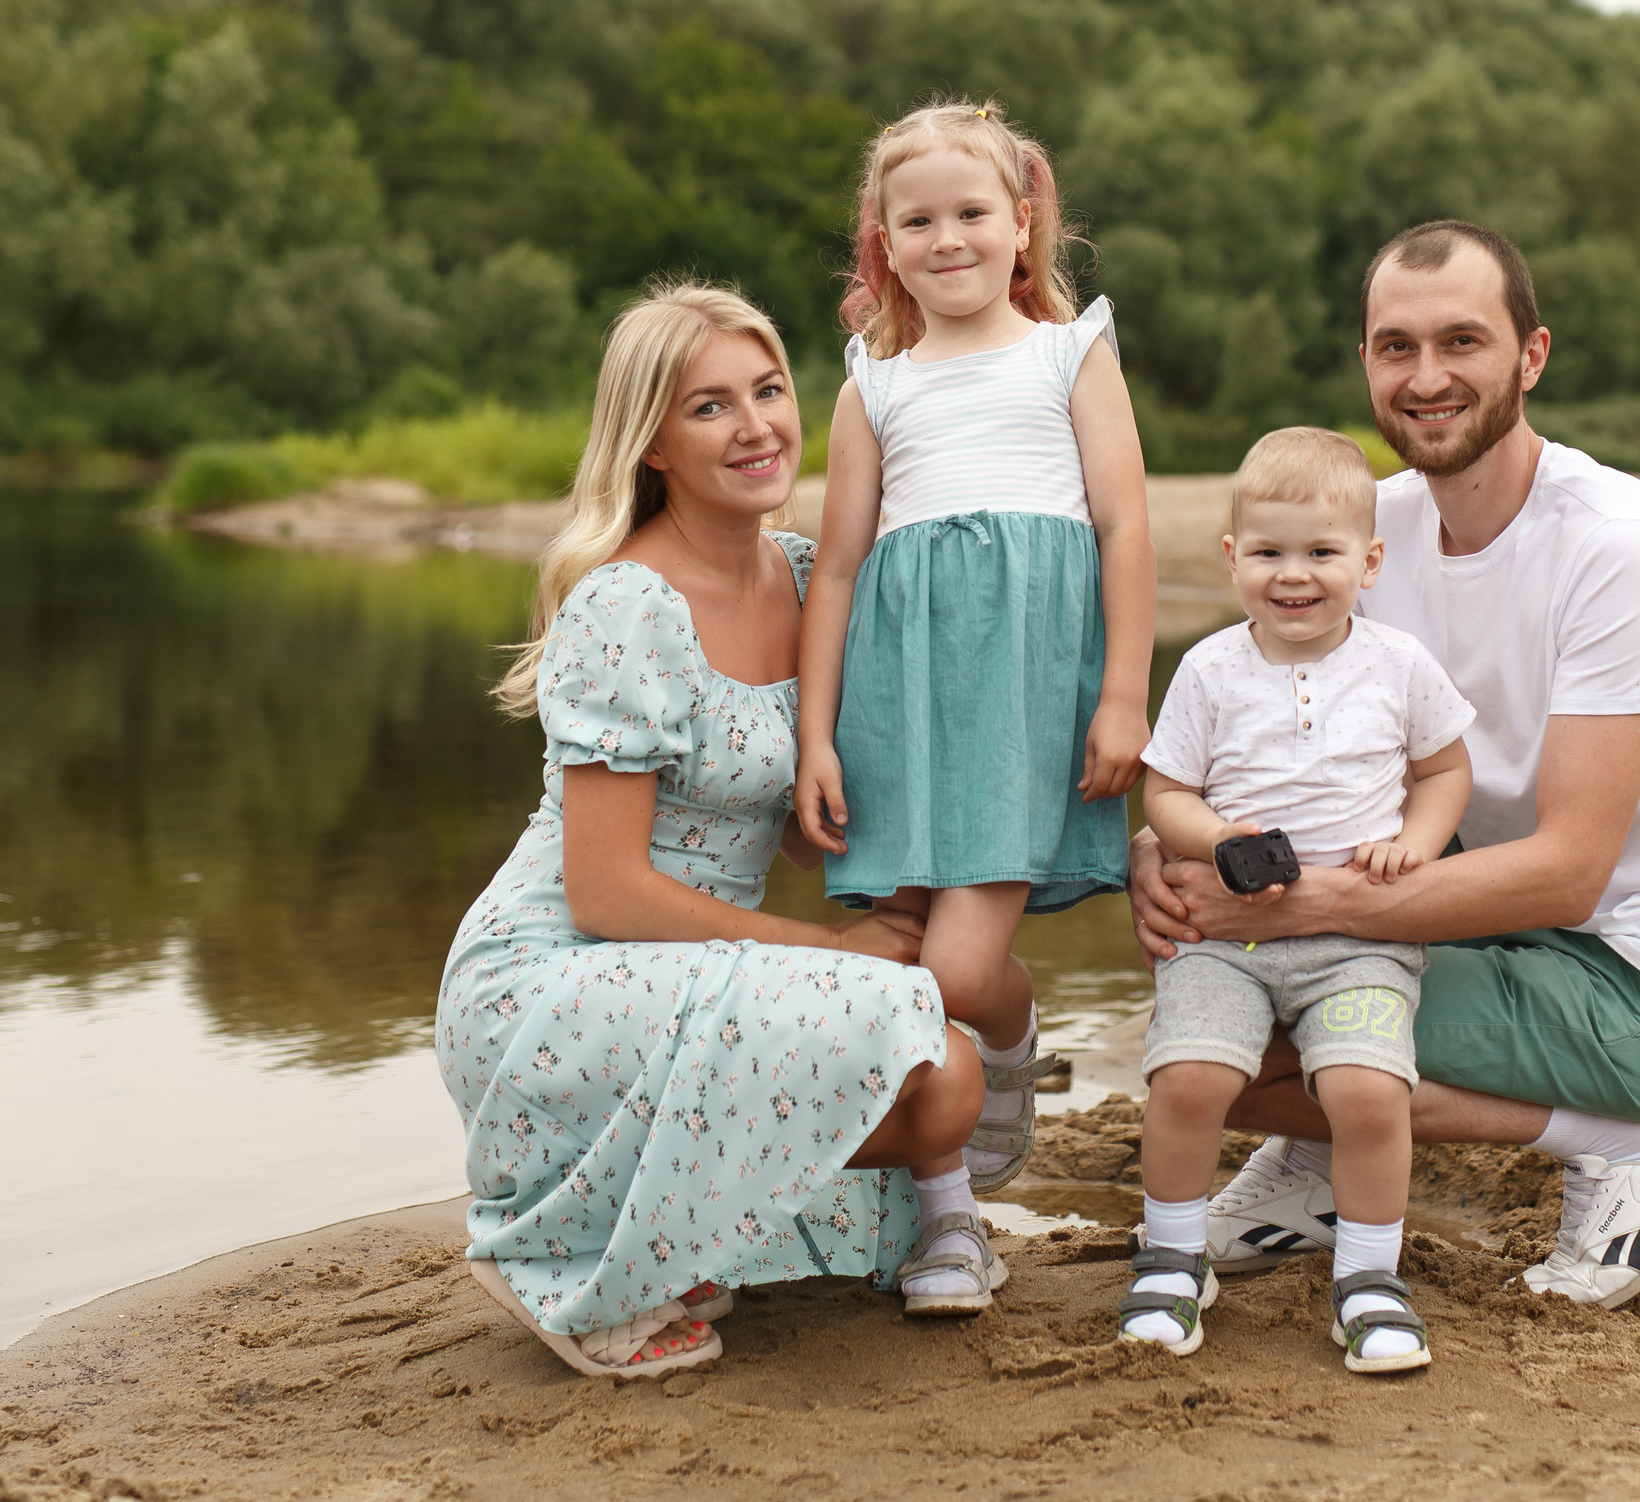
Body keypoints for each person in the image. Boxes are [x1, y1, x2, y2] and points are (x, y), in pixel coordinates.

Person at [1129, 219, 1640, 1312]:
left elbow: (1569, 871)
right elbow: (1292, 742)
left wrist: (1290, 909)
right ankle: (1326, 1168)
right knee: (1201, 995)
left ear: (1531, 356)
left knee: (1279, 1022)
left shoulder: (1616, 545)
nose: (1426, 378)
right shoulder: (1368, 533)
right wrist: (1168, 845)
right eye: (1394, 346)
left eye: (1461, 342)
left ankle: (1634, 1145)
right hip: (1481, 923)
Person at [437, 283, 982, 1380]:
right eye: (709, 407)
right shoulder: (625, 604)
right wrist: (832, 953)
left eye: (769, 390)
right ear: (651, 443)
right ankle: (566, 1246)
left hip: (689, 966)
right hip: (556, 977)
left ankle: (644, 1233)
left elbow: (798, 828)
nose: (756, 427)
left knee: (940, 1039)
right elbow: (607, 895)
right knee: (941, 1071)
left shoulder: (797, 576)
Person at [796, 102, 1155, 1314]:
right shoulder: (872, 386)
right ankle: (948, 1223)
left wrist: (1121, 696)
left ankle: (1006, 1040)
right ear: (881, 244)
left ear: (1020, 226)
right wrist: (816, 735)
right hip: (901, 709)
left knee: (946, 974)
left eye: (970, 213)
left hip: (1020, 704)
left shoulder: (1067, 353)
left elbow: (1123, 526)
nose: (945, 237)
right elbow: (838, 567)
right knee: (895, 958)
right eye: (917, 220)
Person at [1120, 428, 1472, 1373]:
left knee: (1366, 1090)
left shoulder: (1397, 665)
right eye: (1269, 553)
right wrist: (1212, 838)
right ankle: (1173, 1256)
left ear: (1369, 560)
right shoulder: (1208, 669)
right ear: (1234, 557)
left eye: (1322, 553)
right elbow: (1165, 792)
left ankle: (1368, 1277)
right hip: (1225, 937)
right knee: (1188, 1079)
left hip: (1357, 940)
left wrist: (1417, 842)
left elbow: (1444, 768)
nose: (1295, 576)